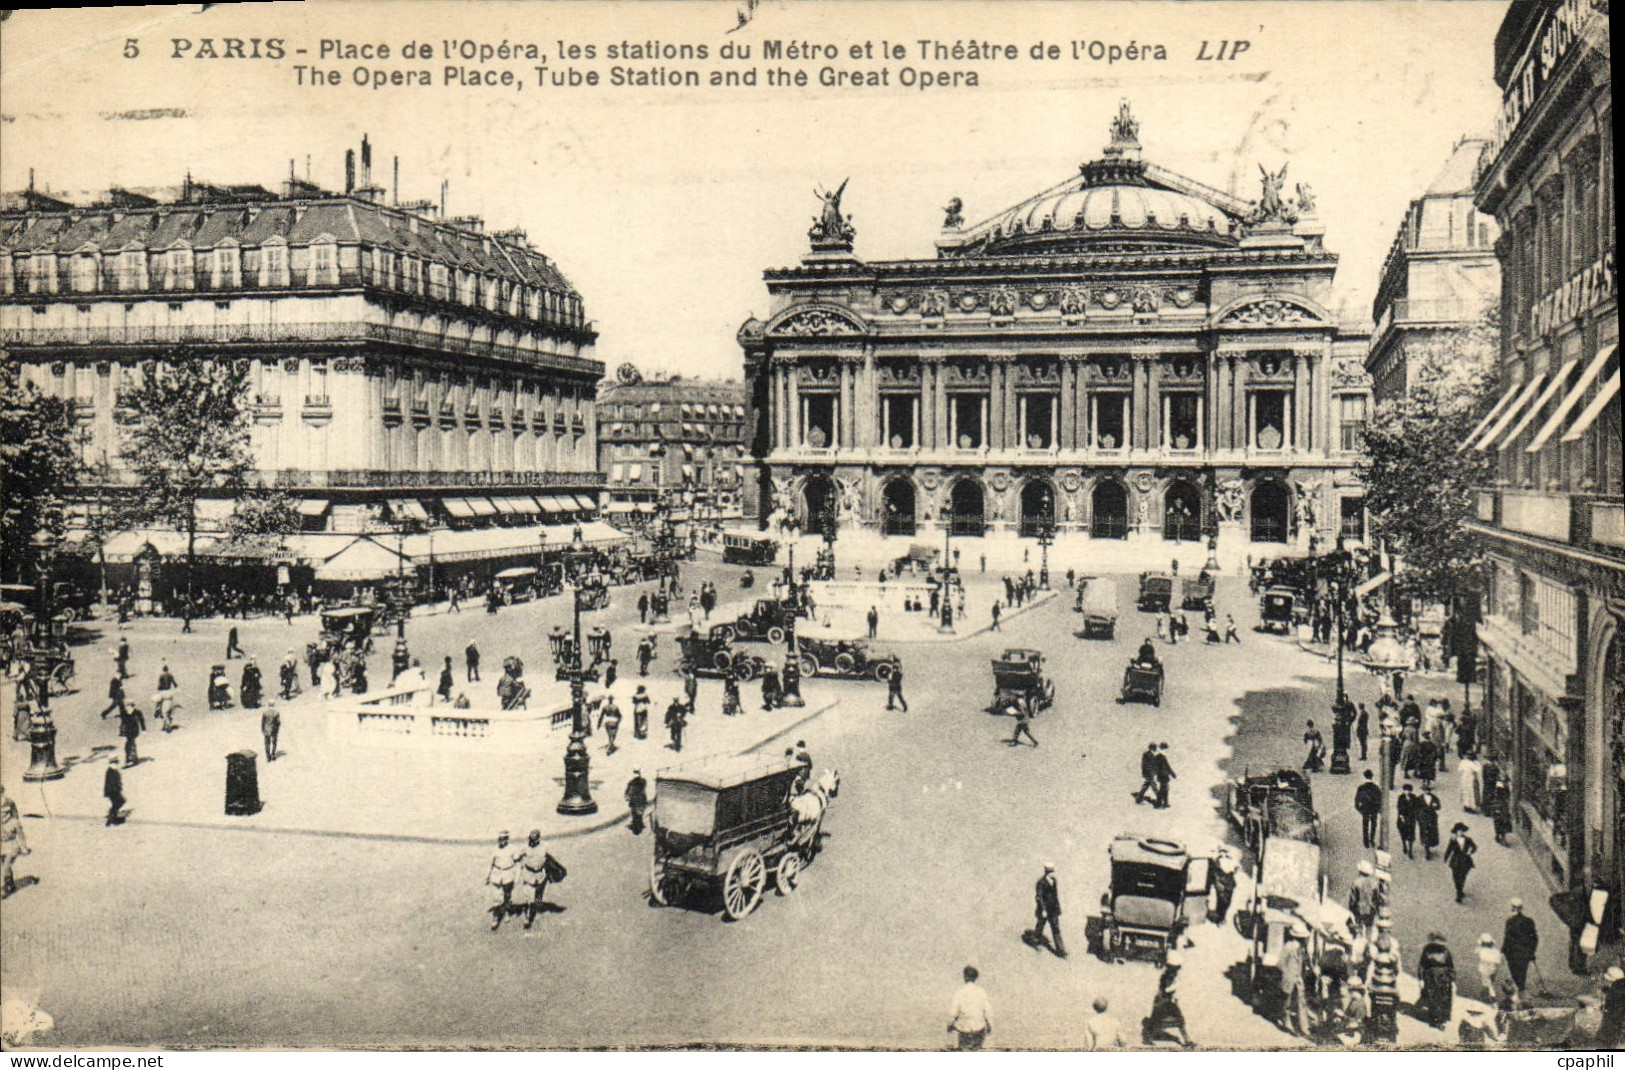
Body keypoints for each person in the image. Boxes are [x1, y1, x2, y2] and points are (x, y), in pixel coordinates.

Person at [1145, 951, 1194, 1047]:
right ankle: (1148, 1038)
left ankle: (1187, 1039)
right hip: (1164, 1000)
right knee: (1158, 1019)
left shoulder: (1169, 974)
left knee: (1177, 1019)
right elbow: (1166, 989)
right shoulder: (1167, 976)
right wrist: (1176, 985)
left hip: (1167, 1000)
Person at [947, 965, 992, 1050]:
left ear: (965, 977)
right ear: (976, 978)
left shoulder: (960, 992)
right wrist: (989, 1025)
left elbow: (953, 1012)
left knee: (964, 1049)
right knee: (976, 1049)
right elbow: (987, 1011)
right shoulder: (981, 992)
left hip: (964, 1028)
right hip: (979, 1027)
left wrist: (950, 1025)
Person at [1417, 932, 1456, 1029]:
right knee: (1434, 998)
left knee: (1444, 998)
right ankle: (1436, 1021)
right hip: (1431, 977)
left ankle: (1443, 1018)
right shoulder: (1427, 950)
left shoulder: (1446, 951)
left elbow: (1450, 966)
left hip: (1444, 977)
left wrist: (1452, 980)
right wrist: (1421, 978)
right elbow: (1422, 965)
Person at [1278, 921, 1311, 1038]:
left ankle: (1304, 1027)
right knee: (1287, 1001)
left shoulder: (1301, 949)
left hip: (1298, 979)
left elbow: (1302, 963)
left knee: (1301, 1002)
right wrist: (1287, 974)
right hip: (1289, 978)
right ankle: (1286, 1021)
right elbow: (1280, 963)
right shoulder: (1288, 946)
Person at [1502, 899, 1539, 995]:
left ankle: (1516, 991)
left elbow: (1508, 939)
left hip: (1513, 954)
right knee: (1522, 973)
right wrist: (1531, 952)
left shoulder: (1510, 922)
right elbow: (1534, 938)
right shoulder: (1529, 921)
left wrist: (1504, 951)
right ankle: (1520, 988)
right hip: (1525, 953)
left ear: (1512, 908)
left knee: (1514, 972)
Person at [486, 831, 519, 931]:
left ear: (507, 840)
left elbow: (517, 865)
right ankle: (495, 918)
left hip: (508, 874)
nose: (501, 841)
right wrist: (487, 876)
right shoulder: (495, 849)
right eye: (499, 839)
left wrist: (516, 878)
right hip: (497, 874)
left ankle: (507, 912)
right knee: (497, 898)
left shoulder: (513, 849)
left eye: (503, 839)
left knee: (507, 895)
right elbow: (490, 863)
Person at [1, 785, 30, 898]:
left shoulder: (14, 822)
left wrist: (23, 847)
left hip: (11, 845)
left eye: (5, 813)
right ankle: (10, 883)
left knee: (6, 866)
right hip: (2, 845)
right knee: (4, 863)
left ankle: (8, 887)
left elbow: (20, 833)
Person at [519, 831, 551, 929]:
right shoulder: (525, 848)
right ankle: (528, 917)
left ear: (538, 840)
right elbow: (519, 858)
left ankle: (537, 911)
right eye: (531, 840)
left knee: (539, 894)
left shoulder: (544, 847)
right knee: (529, 897)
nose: (532, 842)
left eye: (534, 840)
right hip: (529, 874)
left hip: (541, 874)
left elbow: (549, 859)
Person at [1033, 863, 1065, 958]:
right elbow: (1039, 897)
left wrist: (1057, 908)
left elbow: (1055, 896)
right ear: (1047, 872)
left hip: (1053, 909)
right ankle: (1036, 943)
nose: (1053, 874)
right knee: (1040, 927)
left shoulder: (1054, 881)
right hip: (1045, 910)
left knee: (1056, 928)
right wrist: (1043, 910)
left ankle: (1061, 951)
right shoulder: (1041, 882)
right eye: (1052, 872)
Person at [1348, 860, 1383, 941]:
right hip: (1371, 910)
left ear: (1360, 871)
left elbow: (1352, 900)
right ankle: (1368, 945)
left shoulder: (1356, 882)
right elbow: (1377, 898)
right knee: (1369, 930)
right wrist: (1377, 910)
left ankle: (1359, 943)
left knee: (1358, 930)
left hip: (1359, 910)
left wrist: (1351, 910)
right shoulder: (1375, 883)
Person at [1443, 821, 1477, 902]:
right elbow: (1449, 849)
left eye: (1462, 830)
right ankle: (1459, 891)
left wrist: (1470, 851)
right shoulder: (1453, 840)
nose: (1460, 832)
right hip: (1456, 860)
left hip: (1465, 860)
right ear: (1456, 831)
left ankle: (1459, 891)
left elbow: (1474, 847)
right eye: (1459, 830)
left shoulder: (1468, 839)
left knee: (1462, 876)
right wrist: (1446, 857)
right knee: (1455, 877)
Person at [1355, 770, 1382, 849]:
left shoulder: (1361, 788)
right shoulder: (1376, 787)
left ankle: (1366, 841)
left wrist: (1360, 809)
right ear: (1372, 777)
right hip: (1374, 809)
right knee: (1374, 824)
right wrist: (1378, 809)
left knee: (1365, 825)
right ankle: (1372, 840)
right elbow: (1380, 799)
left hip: (1365, 809)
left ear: (1364, 777)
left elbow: (1357, 800)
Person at [1210, 847, 1238, 923]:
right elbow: (1215, 873)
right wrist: (1217, 883)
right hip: (1221, 882)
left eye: (1225, 852)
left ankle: (1223, 916)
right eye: (1222, 851)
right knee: (1221, 901)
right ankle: (1219, 919)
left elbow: (1236, 868)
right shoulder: (1217, 860)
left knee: (1228, 901)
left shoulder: (1231, 860)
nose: (1223, 853)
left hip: (1229, 882)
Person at [115, 703, 145, 767]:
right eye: (126, 706)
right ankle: (131, 758)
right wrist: (119, 730)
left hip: (134, 730)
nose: (127, 707)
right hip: (127, 730)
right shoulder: (125, 712)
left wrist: (143, 730)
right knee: (129, 743)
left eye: (128, 705)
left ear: (132, 706)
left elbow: (141, 720)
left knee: (130, 743)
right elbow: (123, 722)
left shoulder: (137, 712)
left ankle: (131, 758)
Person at [1418, 788, 1443, 861]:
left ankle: (1429, 847)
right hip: (1423, 818)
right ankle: (1427, 851)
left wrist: (1435, 806)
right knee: (1425, 833)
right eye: (1425, 790)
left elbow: (1439, 806)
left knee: (1431, 833)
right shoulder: (1420, 798)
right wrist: (1418, 818)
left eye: (1428, 790)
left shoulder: (1434, 797)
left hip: (1432, 818)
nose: (1427, 791)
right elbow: (1416, 808)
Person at [1476, 934, 1504, 1000]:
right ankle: (1485, 997)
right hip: (1494, 969)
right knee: (1489, 983)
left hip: (1485, 969)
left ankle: (1492, 997)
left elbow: (1479, 954)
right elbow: (1499, 960)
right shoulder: (1496, 951)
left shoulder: (1482, 951)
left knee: (1487, 984)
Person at [1395, 783, 1419, 859]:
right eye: (1405, 790)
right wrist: (1401, 816)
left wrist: (1415, 816)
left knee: (1411, 835)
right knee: (1403, 834)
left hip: (1411, 819)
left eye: (1408, 790)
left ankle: (1410, 851)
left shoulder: (1414, 797)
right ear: (1404, 790)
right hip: (1402, 819)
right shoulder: (1401, 797)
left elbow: (1416, 807)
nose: (1407, 792)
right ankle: (1404, 846)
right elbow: (1399, 807)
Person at [1133, 741, 1159, 805]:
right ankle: (1160, 799)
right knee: (1153, 786)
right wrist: (1150, 772)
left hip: (1150, 773)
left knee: (1146, 786)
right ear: (1152, 748)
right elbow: (1145, 765)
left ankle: (1138, 799)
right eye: (1155, 747)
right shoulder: (1148, 754)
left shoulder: (1150, 755)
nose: (1156, 748)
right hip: (1149, 773)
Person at [103, 754, 126, 826]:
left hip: (113, 790)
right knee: (119, 802)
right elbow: (112, 782)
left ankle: (112, 818)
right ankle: (112, 818)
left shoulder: (112, 770)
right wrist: (117, 788)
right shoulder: (111, 770)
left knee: (118, 803)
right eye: (116, 761)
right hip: (112, 791)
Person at [625, 770, 649, 835]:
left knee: (637, 813)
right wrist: (627, 796)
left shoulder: (640, 782)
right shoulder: (634, 782)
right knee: (637, 813)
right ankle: (638, 821)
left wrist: (627, 796)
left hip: (638, 801)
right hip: (638, 801)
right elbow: (627, 790)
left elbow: (628, 791)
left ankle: (638, 821)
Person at [1153, 743, 1176, 809]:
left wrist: (1172, 774)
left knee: (1165, 790)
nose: (1166, 751)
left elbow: (1167, 767)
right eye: (1166, 749)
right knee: (1163, 790)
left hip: (1163, 776)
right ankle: (1159, 804)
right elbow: (1166, 767)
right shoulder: (1160, 757)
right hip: (1163, 776)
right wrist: (1172, 774)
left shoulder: (1161, 757)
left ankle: (1165, 803)